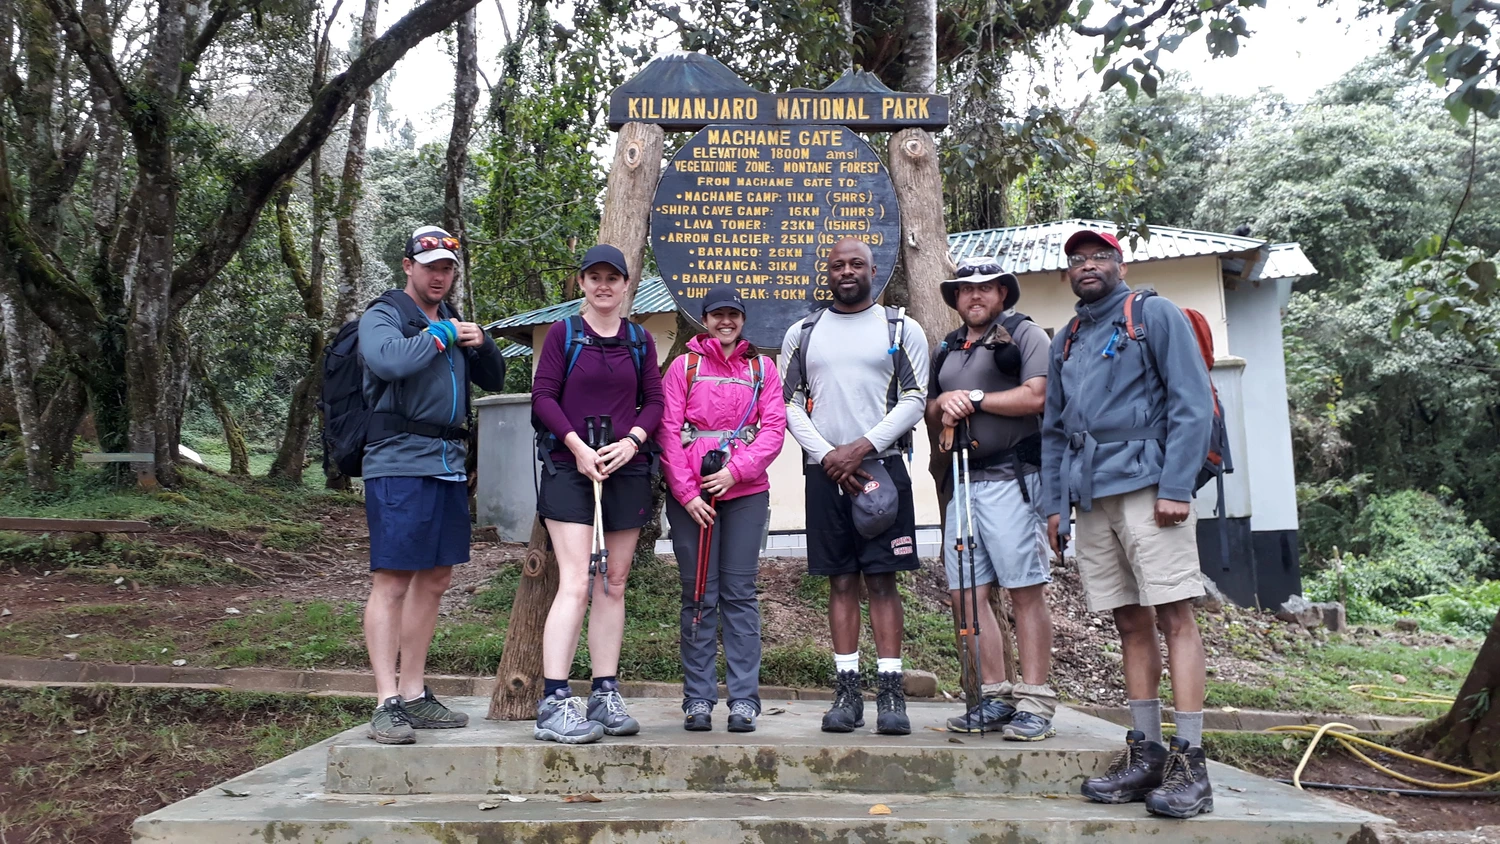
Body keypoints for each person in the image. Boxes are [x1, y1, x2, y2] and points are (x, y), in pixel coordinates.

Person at [1041, 229, 1216, 819]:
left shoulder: (1153, 314)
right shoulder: (1066, 337)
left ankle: (1191, 763)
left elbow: (1191, 402)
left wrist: (1176, 486)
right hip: (1091, 494)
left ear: (1119, 264)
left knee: (1174, 612)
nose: (1087, 266)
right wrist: (1054, 504)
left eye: (1098, 257)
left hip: (1149, 486)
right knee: (1128, 620)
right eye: (1077, 260)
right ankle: (1146, 752)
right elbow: (1054, 431)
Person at [358, 226, 507, 744]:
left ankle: (416, 693)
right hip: (398, 462)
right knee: (393, 580)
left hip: (446, 461)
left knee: (436, 578)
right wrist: (441, 335)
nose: (440, 276)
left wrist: (481, 340)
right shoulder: (385, 314)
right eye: (431, 267)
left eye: (447, 268)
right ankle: (385, 700)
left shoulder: (450, 321)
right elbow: (388, 360)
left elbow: (496, 379)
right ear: (408, 267)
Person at [782, 237, 929, 737]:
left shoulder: (900, 328)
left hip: (881, 470)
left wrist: (860, 447)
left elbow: (915, 398)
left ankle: (891, 693)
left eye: (856, 264)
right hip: (826, 474)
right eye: (837, 265)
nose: (847, 271)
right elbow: (790, 405)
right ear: (827, 272)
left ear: (875, 270)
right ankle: (847, 691)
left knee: (883, 579)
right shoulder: (803, 333)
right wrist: (828, 454)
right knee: (840, 579)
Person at [531, 244, 665, 744]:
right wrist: (578, 447)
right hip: (571, 468)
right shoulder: (564, 335)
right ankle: (554, 701)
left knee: (615, 581)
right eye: (594, 277)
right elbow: (543, 396)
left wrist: (632, 443)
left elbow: (654, 401)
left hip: (625, 469)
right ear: (582, 284)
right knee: (576, 582)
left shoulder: (639, 340)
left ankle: (604, 692)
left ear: (626, 283)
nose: (604, 285)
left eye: (613, 277)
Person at [925, 256, 1057, 741]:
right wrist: (947, 404)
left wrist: (975, 398)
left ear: (1003, 293)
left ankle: (1036, 699)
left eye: (985, 288)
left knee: (1024, 587)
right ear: (956, 298)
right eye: (964, 290)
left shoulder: (1024, 335)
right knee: (965, 593)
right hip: (963, 481)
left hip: (1012, 478)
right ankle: (995, 695)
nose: (974, 296)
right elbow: (935, 405)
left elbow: (1038, 396)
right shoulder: (949, 346)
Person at [658, 285, 787, 733]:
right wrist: (687, 492)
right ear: (705, 319)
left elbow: (773, 428)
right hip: (693, 500)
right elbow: (668, 431)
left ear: (743, 319)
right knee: (697, 594)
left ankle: (744, 700)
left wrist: (737, 471)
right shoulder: (684, 367)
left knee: (739, 595)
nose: (725, 322)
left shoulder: (762, 368)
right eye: (717, 315)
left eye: (733, 314)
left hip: (745, 494)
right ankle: (697, 699)